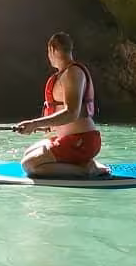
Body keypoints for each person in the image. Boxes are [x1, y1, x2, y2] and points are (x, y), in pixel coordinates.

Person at [13, 32, 107, 177]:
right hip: (67, 140)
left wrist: (34, 123)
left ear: (53, 49)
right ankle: (84, 163)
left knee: (29, 165)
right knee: (28, 153)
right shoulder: (63, 74)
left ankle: (86, 170)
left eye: (48, 52)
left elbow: (72, 113)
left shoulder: (73, 73)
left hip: (82, 141)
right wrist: (38, 126)